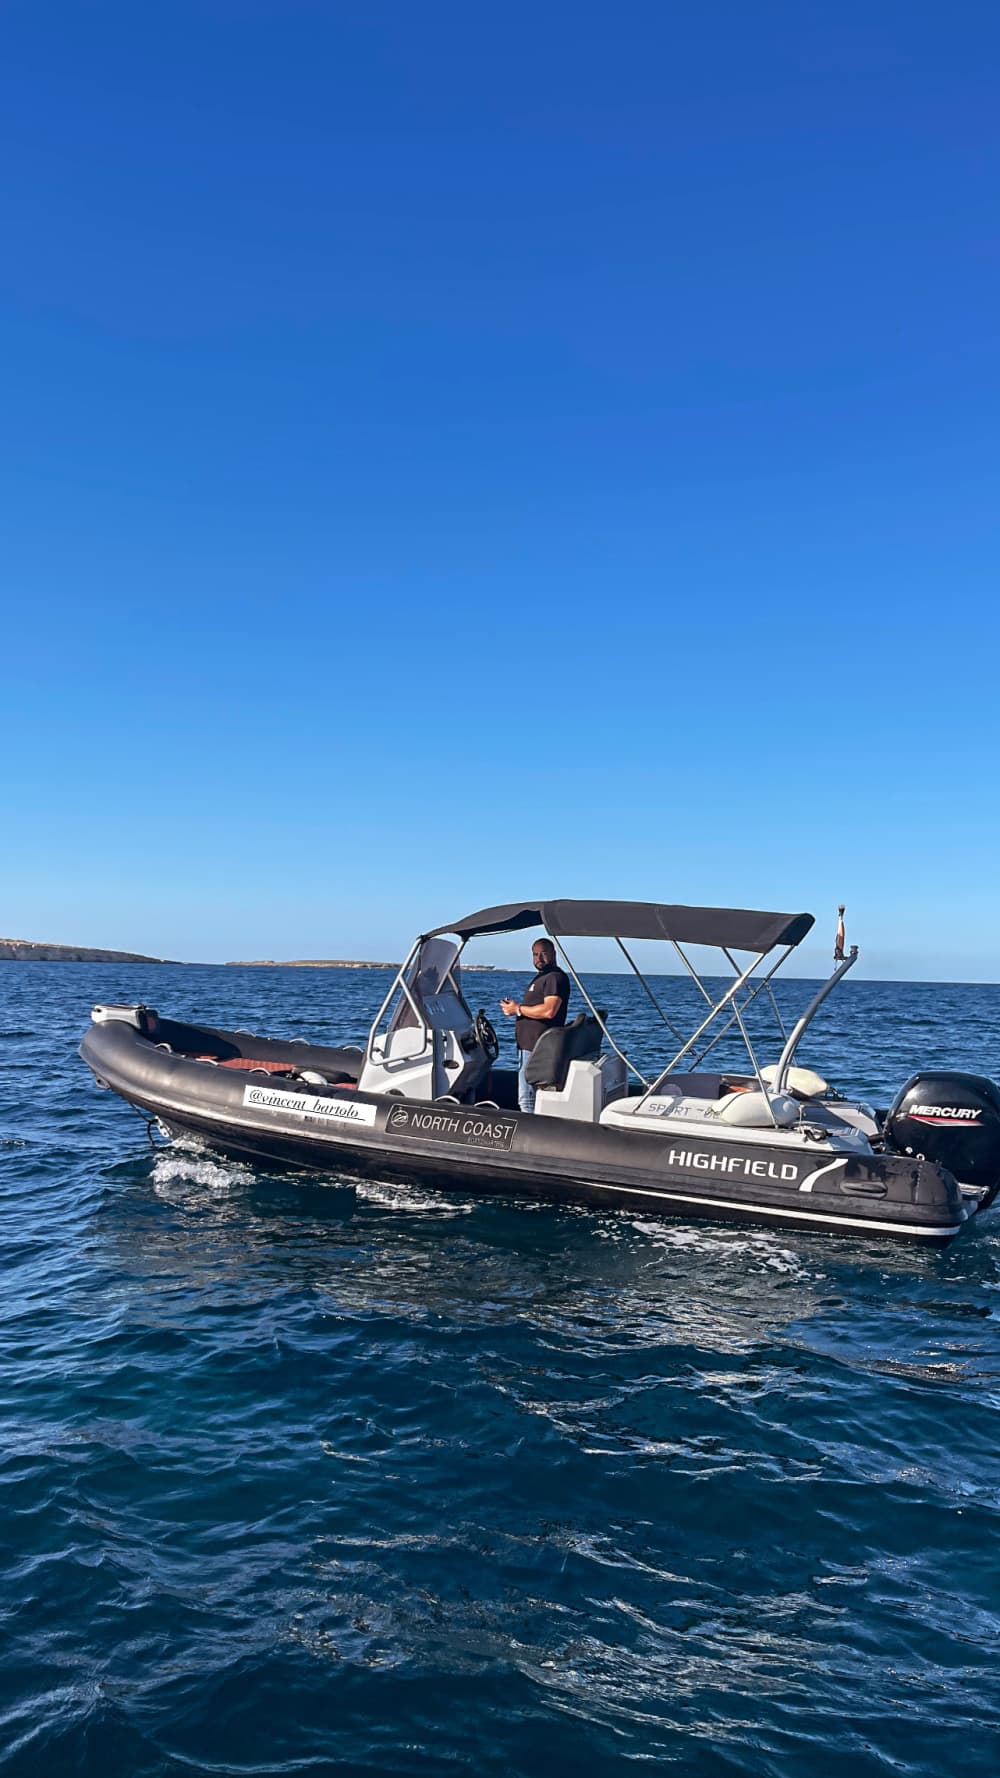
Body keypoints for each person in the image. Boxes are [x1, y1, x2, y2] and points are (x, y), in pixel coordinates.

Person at [500, 939, 571, 1113]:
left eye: (543, 953)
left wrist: (518, 1009)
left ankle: (529, 1131)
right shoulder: (542, 977)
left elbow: (549, 1010)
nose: (539, 958)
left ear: (553, 954)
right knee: (527, 1095)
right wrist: (517, 1009)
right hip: (528, 1046)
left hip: (537, 1046)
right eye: (535, 954)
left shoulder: (554, 977)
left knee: (526, 1097)